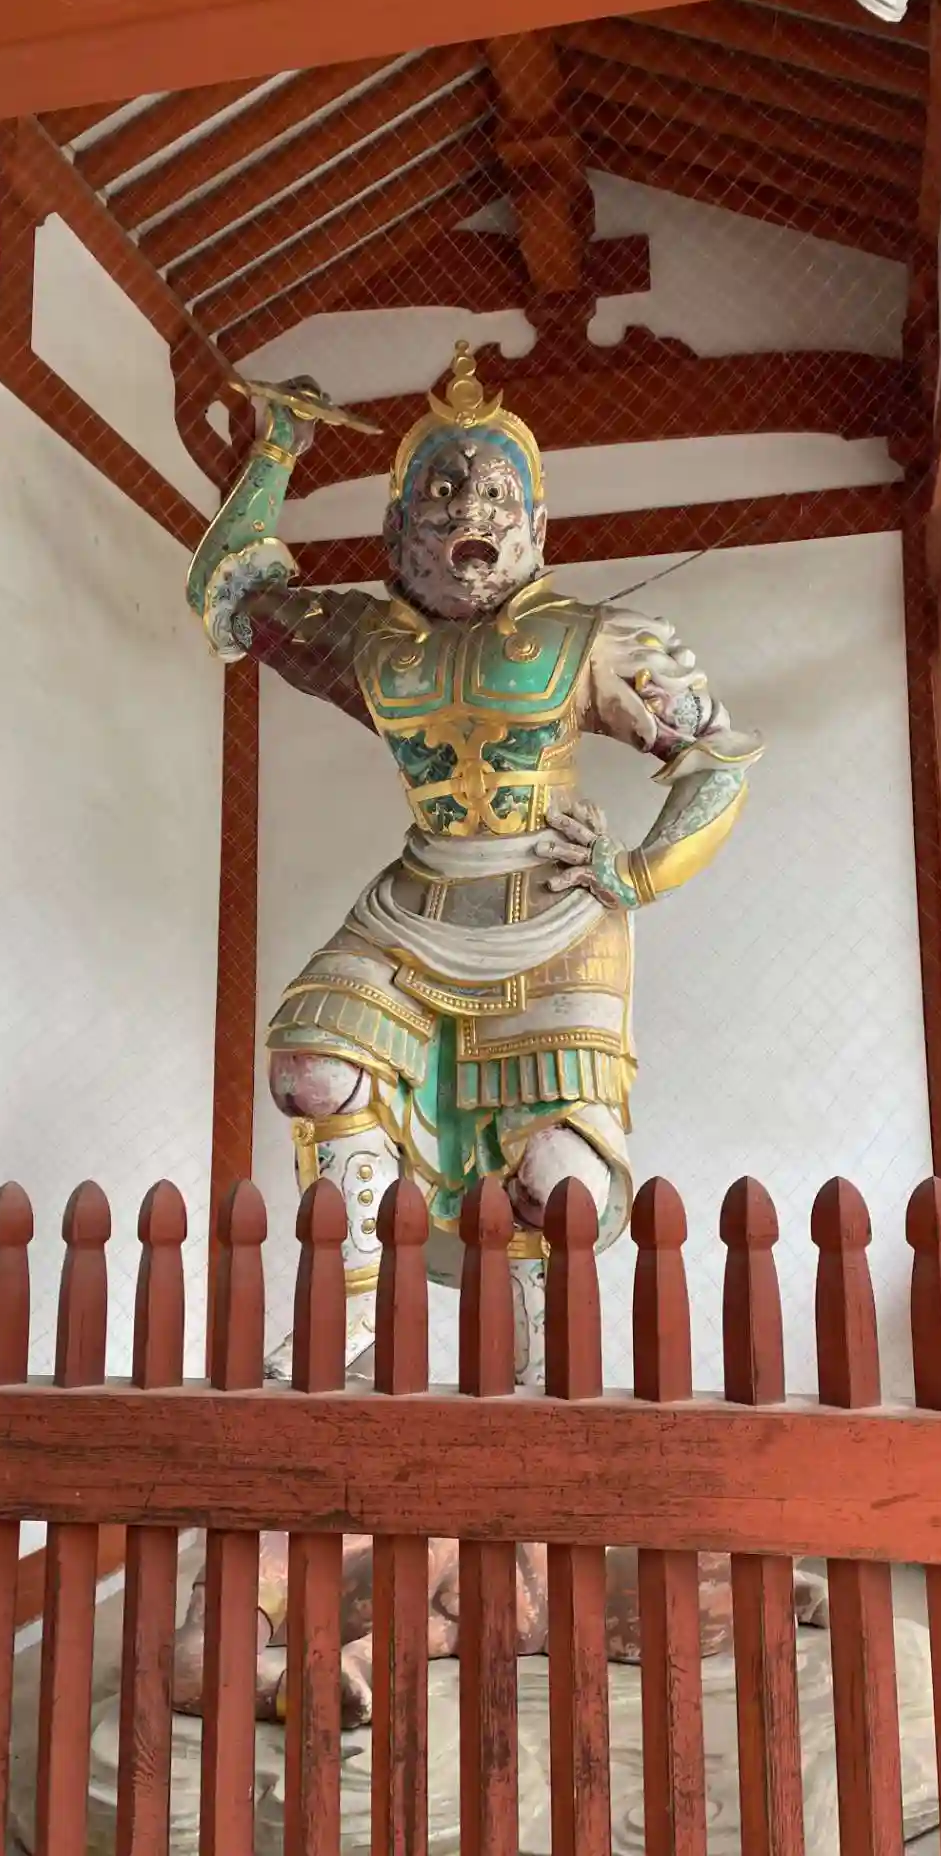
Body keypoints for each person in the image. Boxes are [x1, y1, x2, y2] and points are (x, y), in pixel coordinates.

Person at [187, 342, 761, 1379]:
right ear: (397, 529)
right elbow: (231, 599)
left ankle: (542, 1358)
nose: (472, 511)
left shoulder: (594, 640)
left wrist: (638, 873)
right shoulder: (368, 639)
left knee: (556, 1172)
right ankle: (353, 1315)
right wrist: (278, 449)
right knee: (313, 1064)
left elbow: (717, 760)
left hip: (557, 912)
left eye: (498, 492)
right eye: (443, 491)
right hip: (413, 906)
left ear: (537, 524)